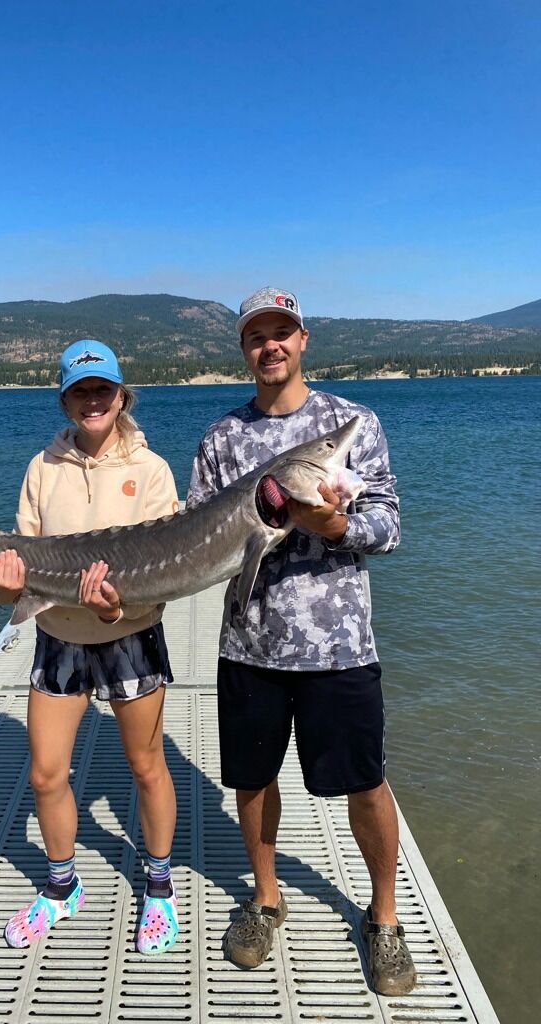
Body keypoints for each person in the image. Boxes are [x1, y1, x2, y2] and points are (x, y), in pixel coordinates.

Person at [186, 288, 416, 995]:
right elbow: (195, 533)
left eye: (282, 332)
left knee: (367, 784)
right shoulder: (222, 438)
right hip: (250, 644)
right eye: (258, 336)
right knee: (252, 782)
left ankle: (384, 918)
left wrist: (334, 527)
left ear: (304, 339)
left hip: (340, 646)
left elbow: (389, 526)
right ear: (245, 349)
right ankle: (265, 899)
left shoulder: (351, 424)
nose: (271, 346)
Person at [0, 339, 180, 956]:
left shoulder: (150, 470)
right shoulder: (41, 469)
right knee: (46, 774)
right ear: (65, 400)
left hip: (130, 637)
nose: (92, 400)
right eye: (80, 390)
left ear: (123, 396)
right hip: (60, 640)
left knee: (147, 767)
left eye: (103, 389)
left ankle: (158, 888)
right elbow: (19, 582)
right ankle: (62, 886)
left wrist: (117, 604)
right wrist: (2, 588)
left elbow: (163, 578)